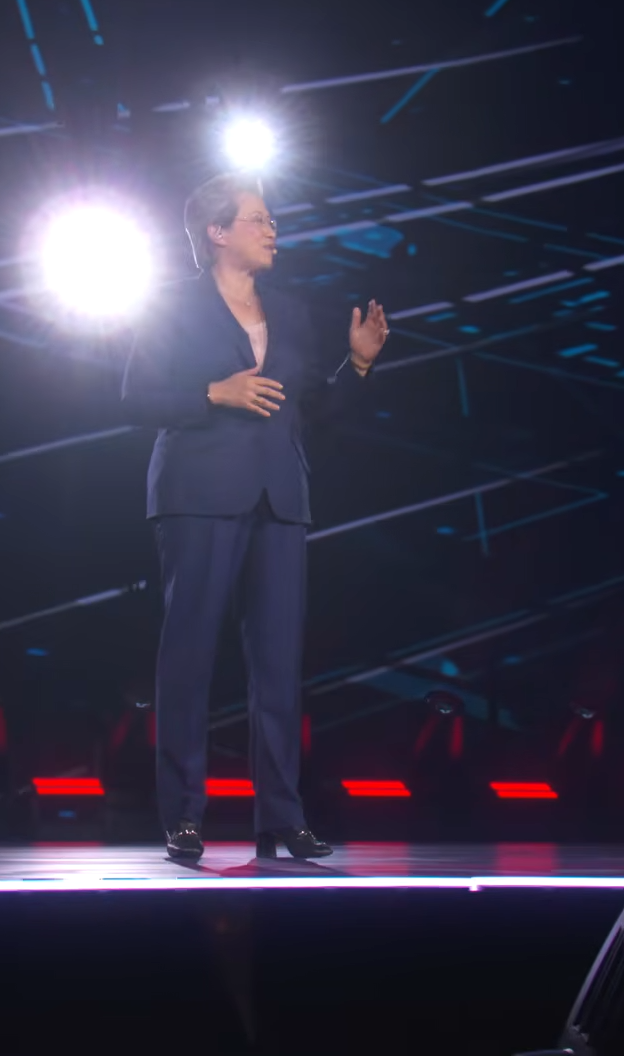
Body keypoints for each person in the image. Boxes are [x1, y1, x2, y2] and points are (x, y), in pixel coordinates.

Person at [121, 172, 389, 859]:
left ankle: (281, 816)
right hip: (198, 492)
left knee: (278, 661)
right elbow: (136, 397)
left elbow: (311, 411)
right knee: (189, 654)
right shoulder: (172, 305)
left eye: (272, 220)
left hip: (280, 497)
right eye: (258, 219)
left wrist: (358, 367)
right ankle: (183, 814)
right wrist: (214, 392)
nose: (273, 230)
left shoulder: (291, 311)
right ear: (217, 232)